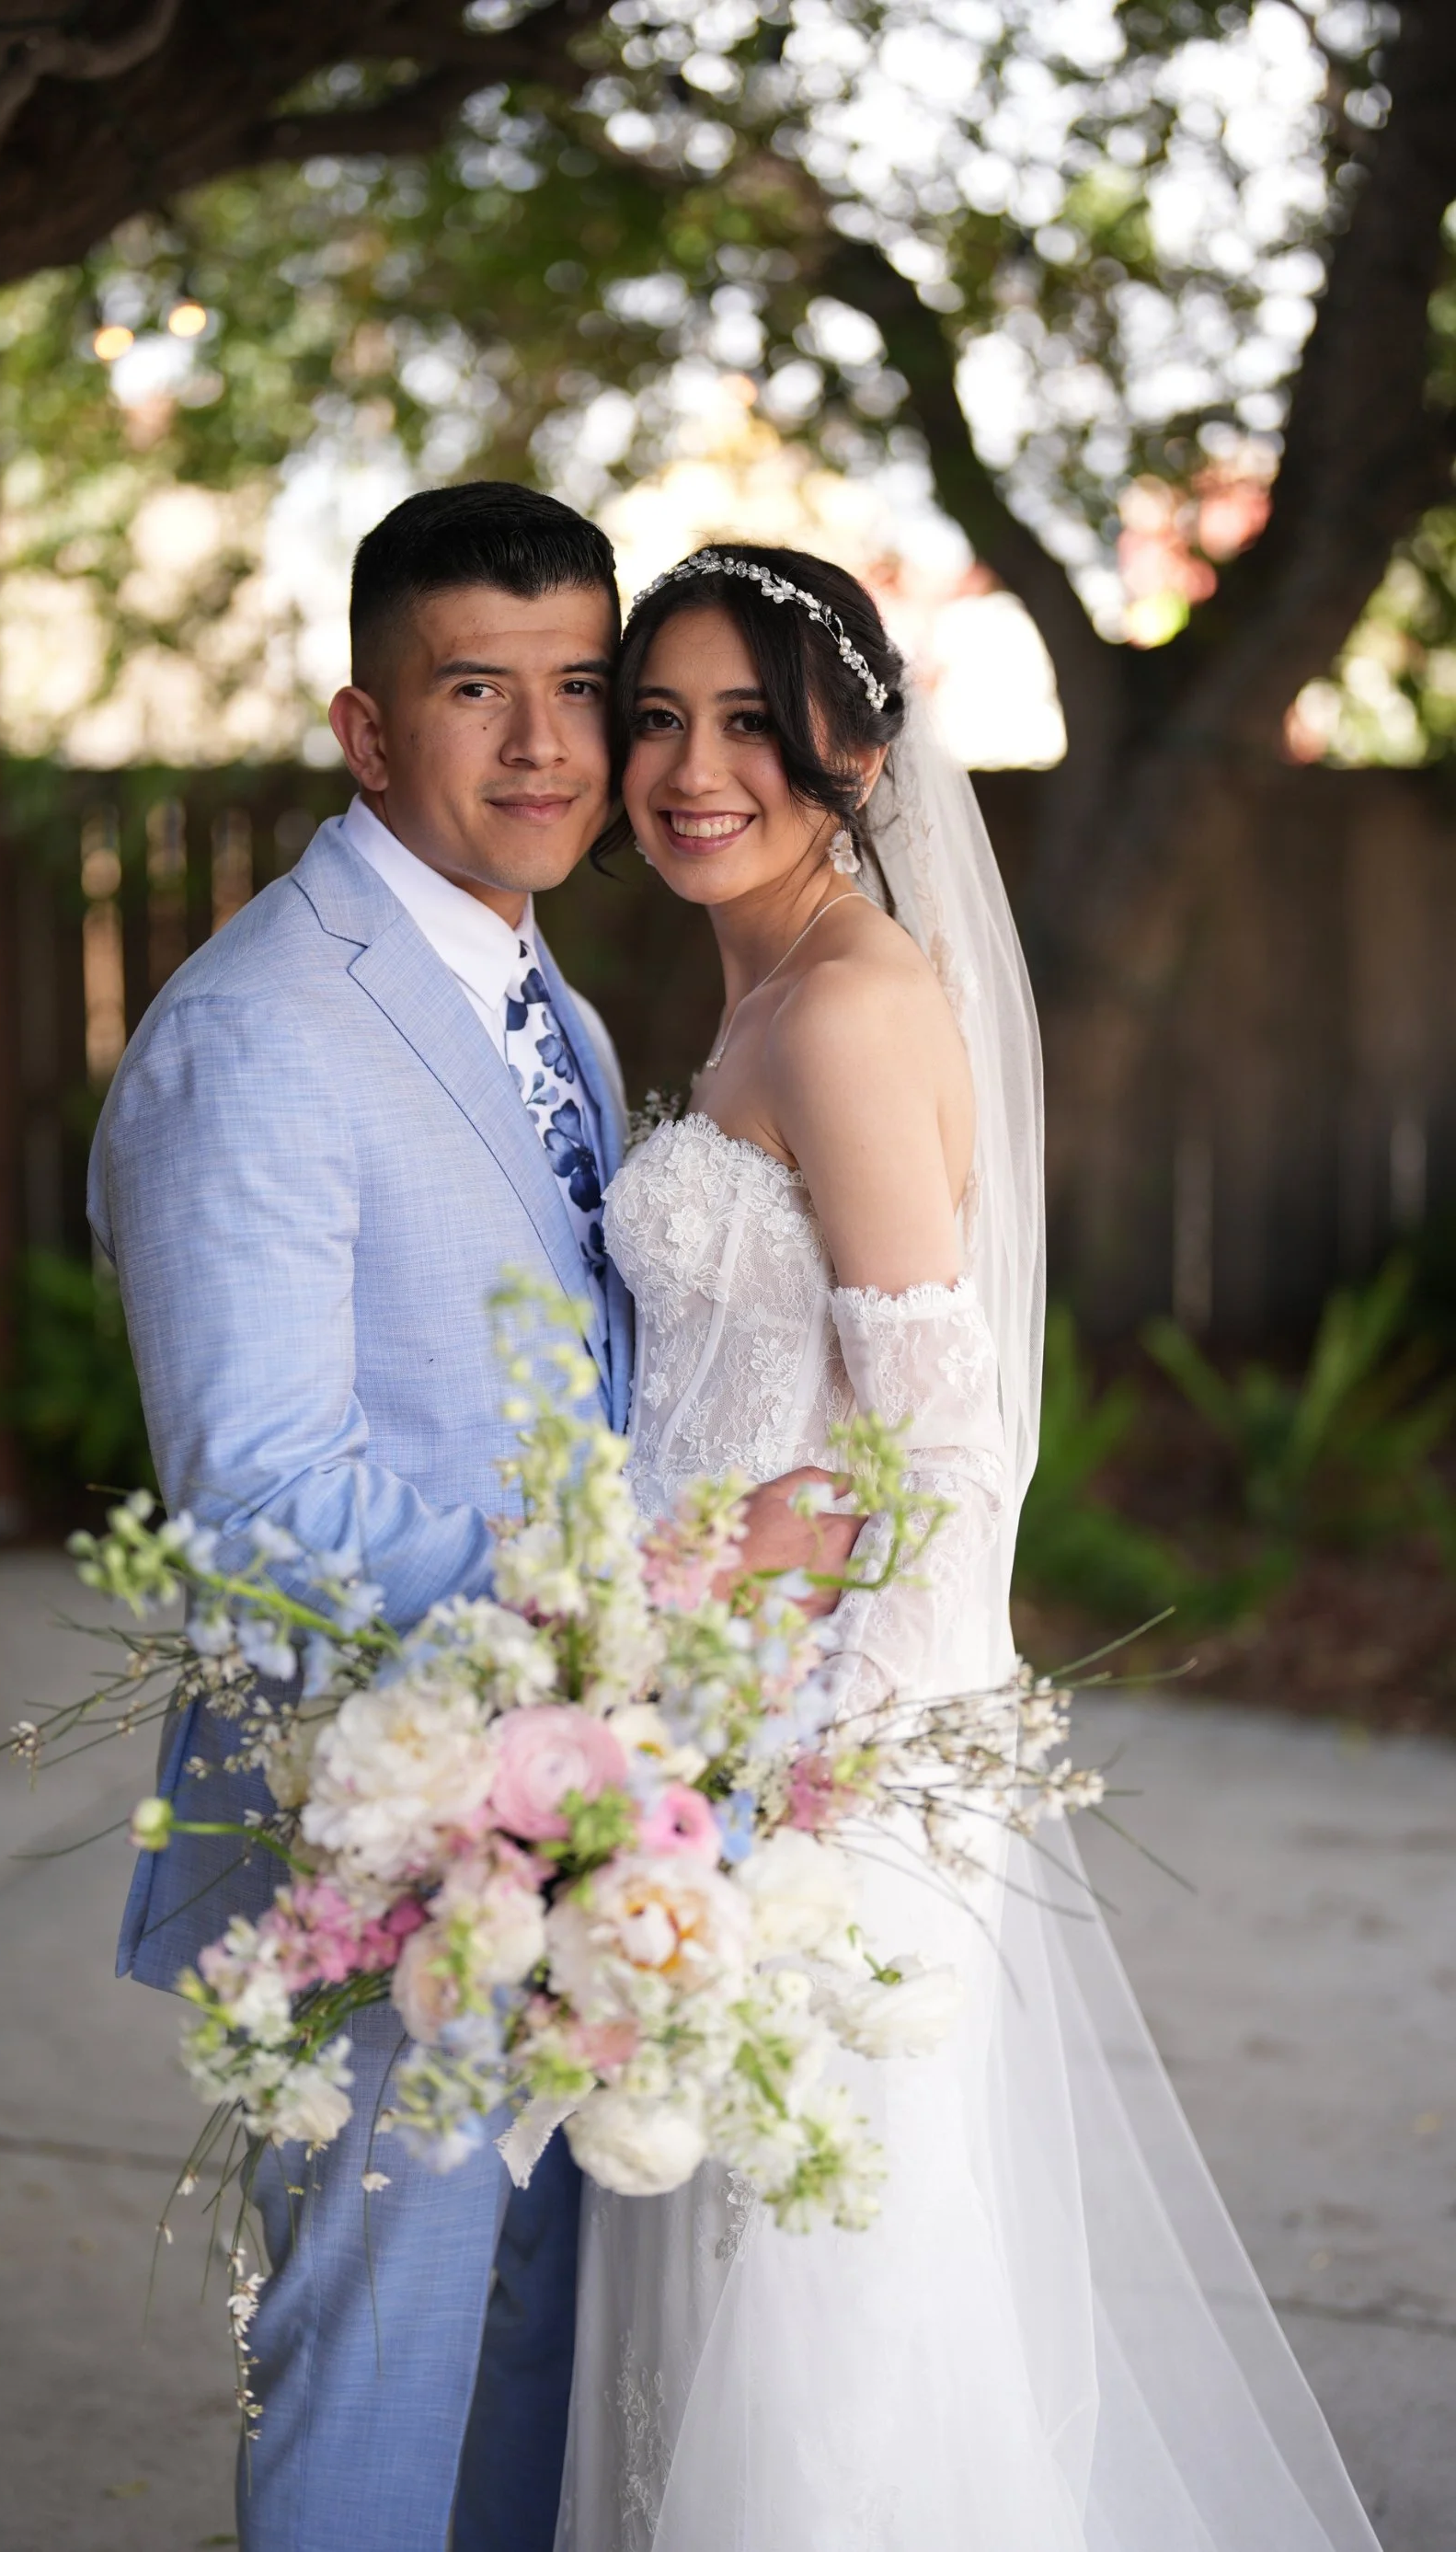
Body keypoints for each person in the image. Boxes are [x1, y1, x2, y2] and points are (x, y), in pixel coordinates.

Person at [556, 544, 1385, 2551]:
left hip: (828, 1753)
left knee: (829, 2322)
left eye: (749, 720)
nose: (688, 767)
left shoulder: (842, 1007)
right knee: (768, 2283)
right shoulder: (761, 979)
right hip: (732, 1718)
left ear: (853, 740)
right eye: (653, 716)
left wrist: (726, 1681)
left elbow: (930, 1452)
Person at [86, 489, 857, 2552]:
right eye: (474, 691)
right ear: (362, 729)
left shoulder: (563, 1014)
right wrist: (656, 1590)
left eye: (581, 691)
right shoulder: (252, 1039)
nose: (545, 746)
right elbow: (257, 1509)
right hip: (383, 1836)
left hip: (587, 1821)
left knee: (531, 2385)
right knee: (383, 2386)